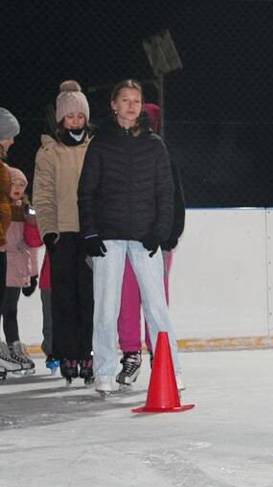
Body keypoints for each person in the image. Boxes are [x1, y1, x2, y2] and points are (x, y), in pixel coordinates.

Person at [77, 79, 181, 396]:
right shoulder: (101, 143)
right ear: (113, 104)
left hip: (145, 237)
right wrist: (91, 232)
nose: (131, 105)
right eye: (125, 99)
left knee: (156, 307)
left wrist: (159, 233)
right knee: (106, 307)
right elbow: (86, 192)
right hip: (108, 237)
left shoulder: (154, 145)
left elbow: (166, 193)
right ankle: (104, 372)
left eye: (136, 100)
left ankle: (170, 370)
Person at [115, 102, 186, 384]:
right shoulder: (120, 153)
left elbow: (174, 198)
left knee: (156, 302)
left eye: (146, 121)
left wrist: (170, 235)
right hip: (125, 238)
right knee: (127, 298)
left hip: (156, 240)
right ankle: (131, 353)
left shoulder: (162, 153)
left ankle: (162, 354)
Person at [33, 81, 95, 384]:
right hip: (62, 234)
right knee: (64, 300)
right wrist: (49, 232)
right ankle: (68, 353)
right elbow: (42, 196)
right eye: (69, 116)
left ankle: (87, 354)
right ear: (61, 119)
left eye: (80, 116)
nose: (75, 121)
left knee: (90, 297)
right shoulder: (49, 152)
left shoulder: (95, 147)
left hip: (91, 233)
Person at [0, 167, 39, 375]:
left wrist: (33, 274)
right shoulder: (3, 207)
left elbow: (32, 244)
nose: (17, 188)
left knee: (11, 311)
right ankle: (3, 352)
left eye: (22, 185)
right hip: (3, 265)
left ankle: (14, 346)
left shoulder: (25, 211)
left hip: (16, 269)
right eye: (14, 183)